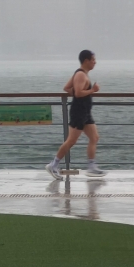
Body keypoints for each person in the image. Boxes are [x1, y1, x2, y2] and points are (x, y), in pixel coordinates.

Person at [46, 50, 105, 178]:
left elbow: (67, 88)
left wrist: (85, 92)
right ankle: (53, 165)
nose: (95, 62)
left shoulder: (81, 74)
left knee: (94, 137)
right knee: (71, 141)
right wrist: (92, 90)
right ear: (86, 61)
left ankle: (91, 167)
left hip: (85, 112)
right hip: (79, 112)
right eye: (93, 60)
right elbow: (78, 93)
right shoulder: (81, 75)